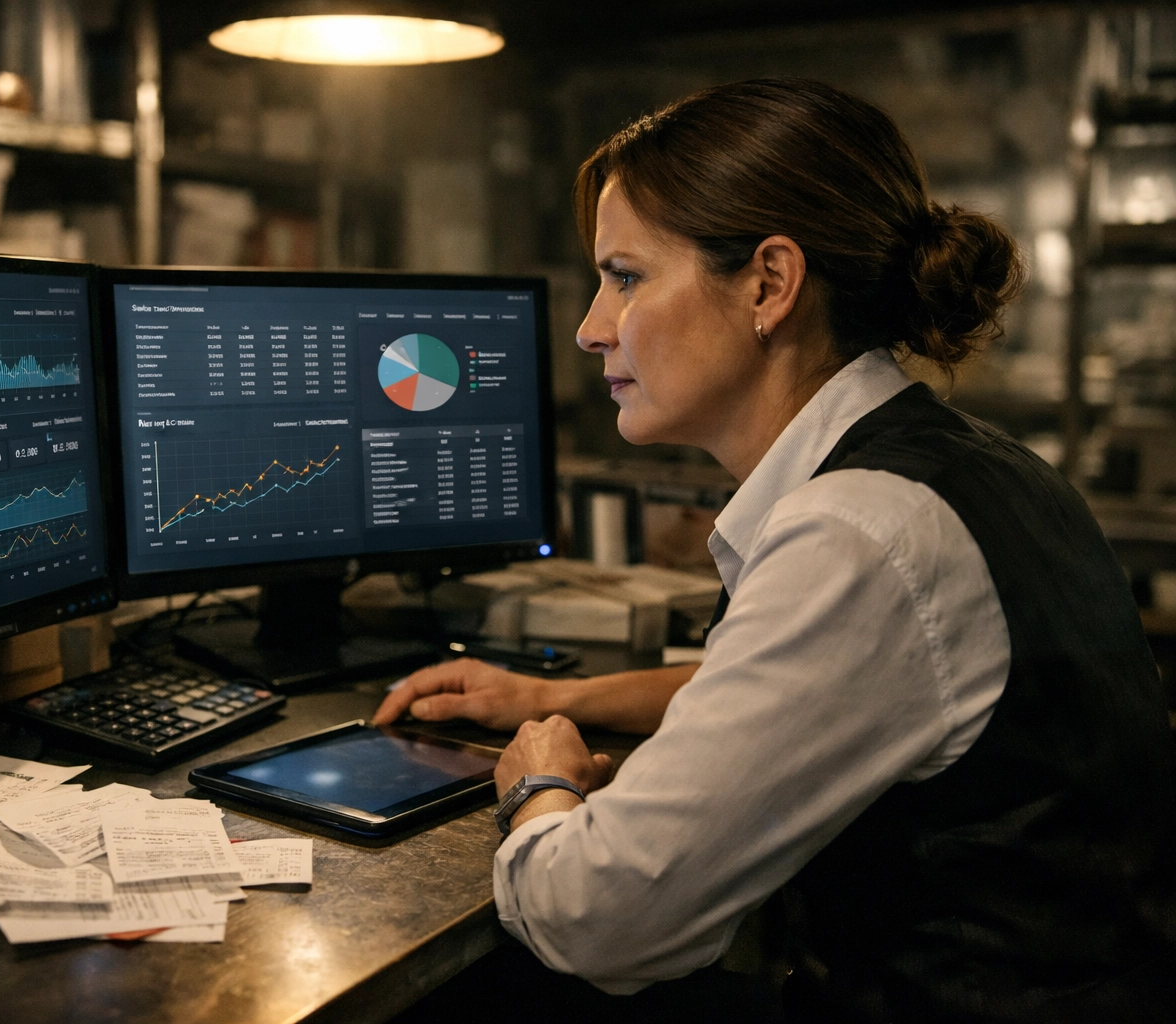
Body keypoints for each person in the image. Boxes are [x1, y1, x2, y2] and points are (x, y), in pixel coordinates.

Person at [375, 79, 1176, 1022]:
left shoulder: (858, 534)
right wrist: (559, 698)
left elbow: (602, 919)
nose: (592, 328)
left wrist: (539, 785)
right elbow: (800, 679)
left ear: (769, 283)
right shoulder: (957, 465)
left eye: (625, 277)